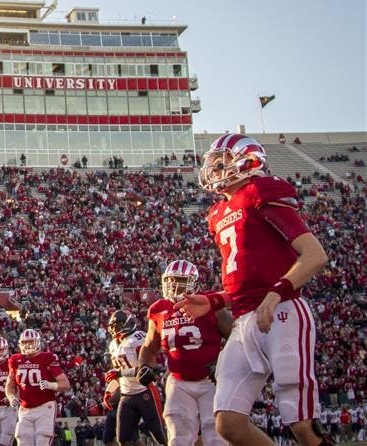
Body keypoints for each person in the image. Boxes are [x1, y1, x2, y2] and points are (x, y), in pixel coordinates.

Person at [176, 134, 331, 446]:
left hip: (283, 311)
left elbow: (315, 255)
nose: (214, 169)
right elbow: (246, 280)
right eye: (214, 164)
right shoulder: (218, 213)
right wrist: (214, 300)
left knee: (301, 423)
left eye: (222, 163)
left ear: (247, 161)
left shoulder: (260, 190)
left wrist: (276, 293)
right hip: (245, 319)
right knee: (228, 423)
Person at [138, 260, 233, 446]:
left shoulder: (209, 305)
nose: (173, 286)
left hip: (210, 379)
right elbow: (150, 346)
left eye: (179, 281)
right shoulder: (159, 309)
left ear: (193, 283)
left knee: (214, 434)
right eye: (170, 280)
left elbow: (236, 338)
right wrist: (144, 366)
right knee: (177, 436)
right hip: (178, 380)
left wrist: (223, 363)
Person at [105, 310, 167, 446]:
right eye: (114, 326)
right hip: (126, 396)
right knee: (124, 440)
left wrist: (120, 374)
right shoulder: (113, 345)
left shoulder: (138, 338)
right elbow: (118, 372)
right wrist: (110, 390)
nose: (115, 329)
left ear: (128, 323)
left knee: (161, 436)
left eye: (118, 325)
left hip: (145, 391)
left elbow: (146, 369)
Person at [5, 328, 71, 446]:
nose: (27, 345)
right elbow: (9, 387)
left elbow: (65, 385)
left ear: (37, 342)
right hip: (24, 409)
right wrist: (11, 397)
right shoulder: (15, 360)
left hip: (45, 406)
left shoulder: (47, 357)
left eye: (30, 342)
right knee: (23, 440)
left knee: (42, 440)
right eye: (25, 342)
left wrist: (50, 385)